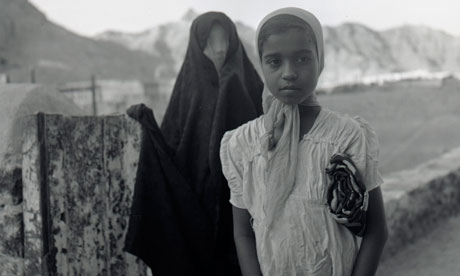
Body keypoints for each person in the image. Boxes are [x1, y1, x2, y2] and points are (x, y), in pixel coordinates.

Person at [220, 7, 388, 276]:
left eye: (302, 59)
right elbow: (243, 233)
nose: (289, 72)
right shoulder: (242, 145)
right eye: (274, 61)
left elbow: (376, 230)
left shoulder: (345, 135)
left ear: (319, 60)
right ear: (261, 64)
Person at [125, 11, 263, 276]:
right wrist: (148, 126)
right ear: (200, 46)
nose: (220, 49)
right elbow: (173, 147)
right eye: (211, 41)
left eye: (224, 40)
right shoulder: (190, 88)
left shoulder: (247, 83)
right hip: (200, 206)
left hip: (248, 206)